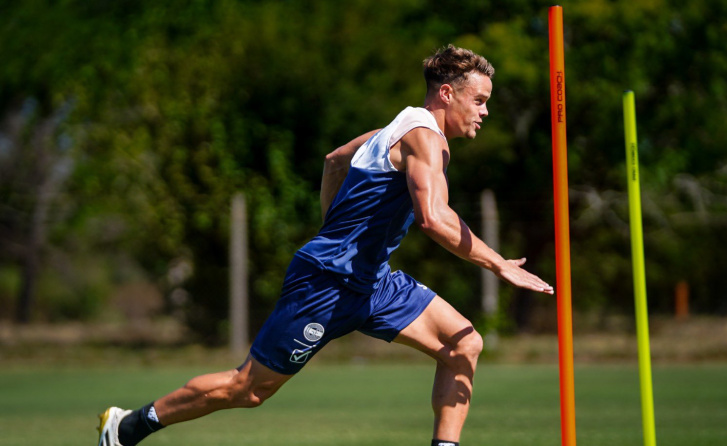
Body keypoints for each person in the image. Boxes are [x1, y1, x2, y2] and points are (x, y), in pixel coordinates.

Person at [97, 44, 553, 446]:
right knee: (249, 389)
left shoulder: (399, 127)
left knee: (463, 344)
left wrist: (335, 227)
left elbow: (334, 160)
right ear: (448, 93)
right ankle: (127, 427)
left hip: (374, 282)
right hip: (326, 284)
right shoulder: (424, 137)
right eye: (480, 100)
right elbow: (434, 218)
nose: (485, 111)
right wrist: (499, 265)